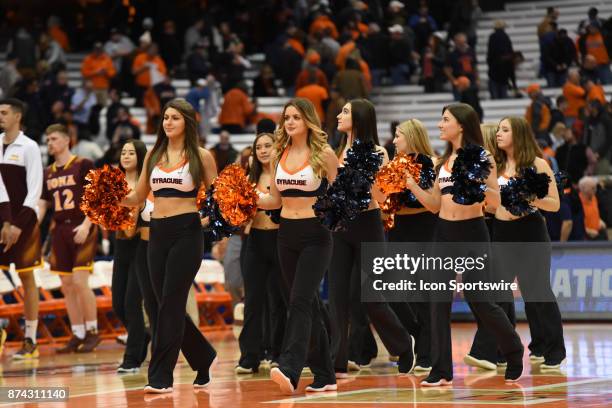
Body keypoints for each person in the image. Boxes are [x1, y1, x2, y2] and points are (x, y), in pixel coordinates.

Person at [406, 103, 524, 386]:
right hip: (443, 233)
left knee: (481, 301)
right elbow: (435, 205)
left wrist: (476, 185)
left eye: (445, 119)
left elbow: (496, 203)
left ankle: (512, 348)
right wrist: (411, 185)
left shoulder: (481, 157)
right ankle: (442, 370)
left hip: (473, 233)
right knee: (438, 303)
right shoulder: (442, 163)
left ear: (461, 125)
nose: (439, 125)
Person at [120, 98, 218, 393]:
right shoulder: (154, 154)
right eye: (165, 118)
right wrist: (110, 197)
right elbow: (138, 197)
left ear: (187, 122)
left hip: (187, 233)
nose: (168, 123)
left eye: (174, 118)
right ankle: (203, 356)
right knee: (164, 304)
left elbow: (218, 198)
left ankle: (160, 376)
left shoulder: (201, 156)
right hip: (157, 232)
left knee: (172, 303)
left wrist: (205, 223)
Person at [468, 116, 566, 371]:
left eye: (504, 130)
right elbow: (491, 201)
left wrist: (529, 197)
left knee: (537, 292)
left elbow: (554, 204)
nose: (498, 134)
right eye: (498, 129)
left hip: (530, 231)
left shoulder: (537, 164)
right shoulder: (494, 166)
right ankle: (495, 351)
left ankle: (554, 349)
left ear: (519, 134)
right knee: (497, 293)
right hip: (502, 232)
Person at [329, 99, 416, 378]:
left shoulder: (379, 152)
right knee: (338, 298)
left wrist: (366, 178)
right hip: (341, 226)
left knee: (371, 297)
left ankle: (404, 345)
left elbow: (382, 197)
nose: (339, 115)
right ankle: (337, 359)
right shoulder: (336, 151)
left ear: (360, 118)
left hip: (368, 225)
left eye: (345, 112)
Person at [257, 98, 338, 394]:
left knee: (300, 301)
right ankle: (325, 374)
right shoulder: (278, 154)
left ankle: (289, 367)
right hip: (286, 234)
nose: (289, 122)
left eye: (296, 117)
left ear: (308, 121)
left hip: (316, 235)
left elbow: (340, 196)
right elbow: (274, 201)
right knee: (308, 305)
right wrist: (247, 197)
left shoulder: (324, 154)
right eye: (286, 117)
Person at [38, 124, 100, 353]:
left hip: (82, 224)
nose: (50, 143)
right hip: (60, 230)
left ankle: (93, 331)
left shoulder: (83, 164)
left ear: (67, 140)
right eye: (47, 139)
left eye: (53, 138)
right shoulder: (48, 172)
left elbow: (95, 197)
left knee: (79, 281)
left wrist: (86, 224)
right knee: (65, 285)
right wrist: (32, 226)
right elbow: (43, 204)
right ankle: (78, 333)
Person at [385, 118, 439, 371]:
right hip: (398, 231)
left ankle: (426, 354)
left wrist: (409, 184)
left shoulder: (427, 163)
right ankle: (418, 331)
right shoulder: (394, 164)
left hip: (423, 230)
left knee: (421, 294)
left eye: (398, 136)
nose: (394, 141)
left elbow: (426, 201)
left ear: (412, 137)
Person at [236, 132, 287, 373]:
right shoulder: (249, 178)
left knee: (279, 302)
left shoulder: (285, 175)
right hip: (255, 240)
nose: (263, 150)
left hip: (280, 239)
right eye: (259, 147)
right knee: (253, 301)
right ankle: (249, 357)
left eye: (268, 146)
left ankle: (278, 353)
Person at [0, 98, 44, 360]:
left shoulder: (30, 147)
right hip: (2, 221)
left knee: (27, 279)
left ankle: (31, 339)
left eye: (4, 113)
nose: (0, 116)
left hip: (24, 222)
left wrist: (17, 224)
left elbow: (35, 189)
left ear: (17, 116)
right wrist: (5, 222)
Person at [114, 139, 150, 372]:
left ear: (140, 156)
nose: (126, 156)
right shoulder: (114, 183)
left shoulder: (145, 185)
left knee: (131, 302)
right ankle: (142, 336)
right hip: (120, 244)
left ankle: (132, 359)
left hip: (141, 244)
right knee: (118, 304)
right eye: (123, 152)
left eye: (131, 153)